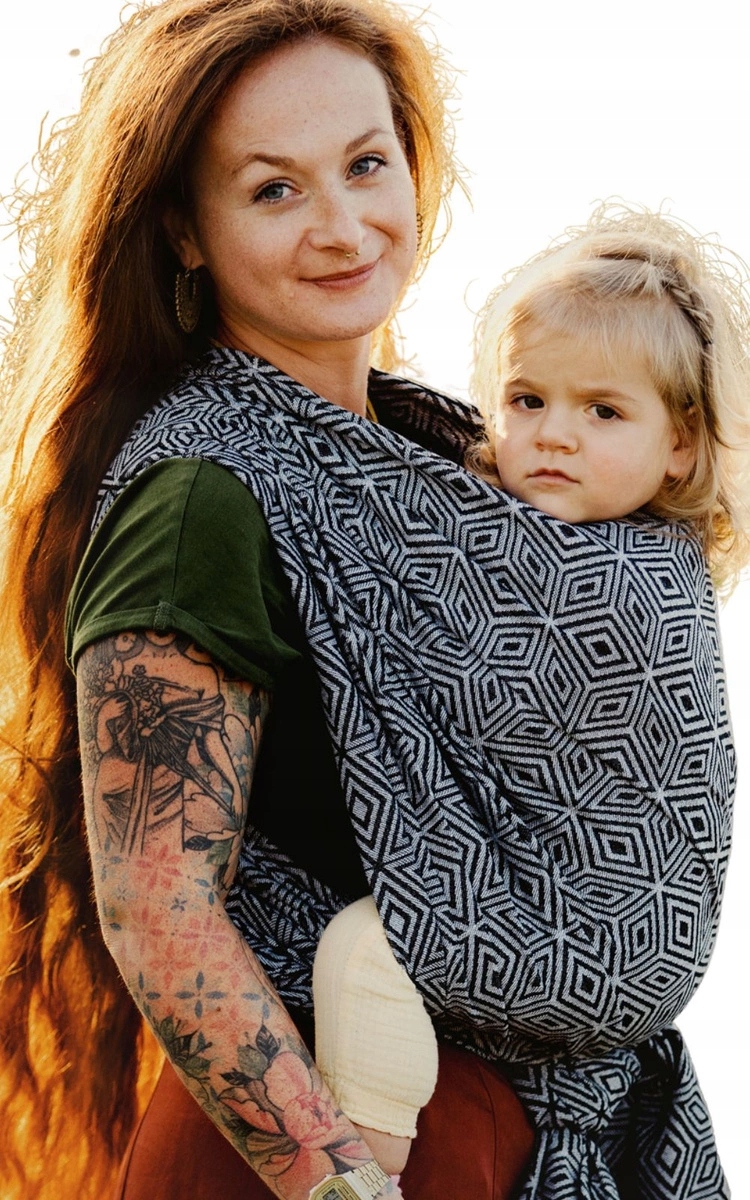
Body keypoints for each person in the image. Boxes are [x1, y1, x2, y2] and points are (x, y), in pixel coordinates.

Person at [0, 2, 536, 1199]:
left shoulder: (443, 451)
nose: (342, 226)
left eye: (365, 164)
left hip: (469, 1127)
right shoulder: (200, 495)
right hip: (317, 1146)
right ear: (185, 233)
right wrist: (342, 1185)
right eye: (274, 189)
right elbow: (160, 908)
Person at [310, 208, 750, 1179]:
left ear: (681, 445)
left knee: (365, 954)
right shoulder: (493, 525)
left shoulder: (640, 585)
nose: (555, 434)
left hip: (607, 933)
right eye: (526, 399)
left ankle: (363, 1180)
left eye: (603, 412)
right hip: (554, 921)